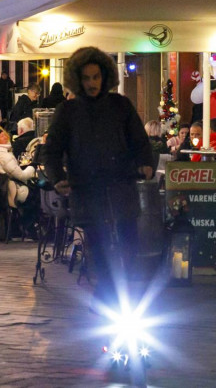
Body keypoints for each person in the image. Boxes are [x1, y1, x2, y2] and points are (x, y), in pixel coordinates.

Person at [41, 47, 156, 310]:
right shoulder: (67, 111)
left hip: (121, 186)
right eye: (86, 78)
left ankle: (119, 296)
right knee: (99, 245)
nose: (92, 83)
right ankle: (106, 294)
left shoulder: (121, 105)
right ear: (77, 80)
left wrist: (145, 164)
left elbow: (140, 141)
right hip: (88, 189)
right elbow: (52, 149)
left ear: (105, 77)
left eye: (96, 77)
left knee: (129, 243)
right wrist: (58, 176)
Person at [0, 127, 37, 207]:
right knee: (37, 192)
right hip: (10, 194)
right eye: (2, 136)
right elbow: (22, 176)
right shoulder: (4, 156)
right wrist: (33, 165)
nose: (6, 137)